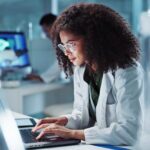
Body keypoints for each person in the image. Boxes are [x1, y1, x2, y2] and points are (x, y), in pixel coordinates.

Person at [32, 3, 144, 145]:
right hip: (94, 144)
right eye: (63, 46)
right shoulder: (81, 69)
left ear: (94, 40)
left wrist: (72, 133)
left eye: (71, 44)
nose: (66, 52)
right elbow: (82, 115)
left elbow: (129, 132)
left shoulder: (126, 70)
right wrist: (65, 121)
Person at [27, 13, 61, 83]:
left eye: (46, 31)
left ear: (54, 26)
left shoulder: (64, 41)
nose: (46, 35)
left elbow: (60, 63)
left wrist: (41, 77)